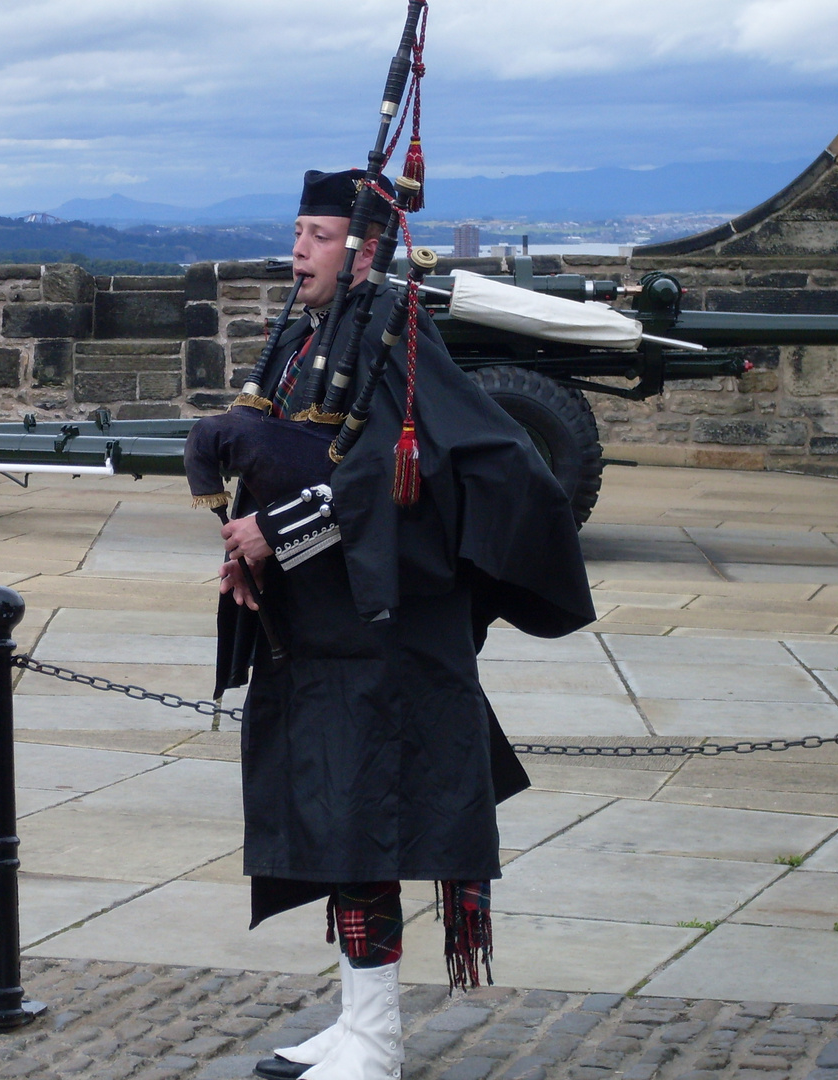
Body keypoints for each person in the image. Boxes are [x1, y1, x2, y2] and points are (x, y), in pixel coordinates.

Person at [211, 169, 595, 1080]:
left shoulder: (401, 342)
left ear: (366, 248)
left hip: (382, 646)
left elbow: (426, 475)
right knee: (335, 831)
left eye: (316, 232)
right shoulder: (319, 335)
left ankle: (377, 1044)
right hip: (317, 639)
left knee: (363, 828)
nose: (297, 248)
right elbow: (307, 454)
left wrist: (279, 531)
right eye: (296, 229)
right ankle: (356, 1022)